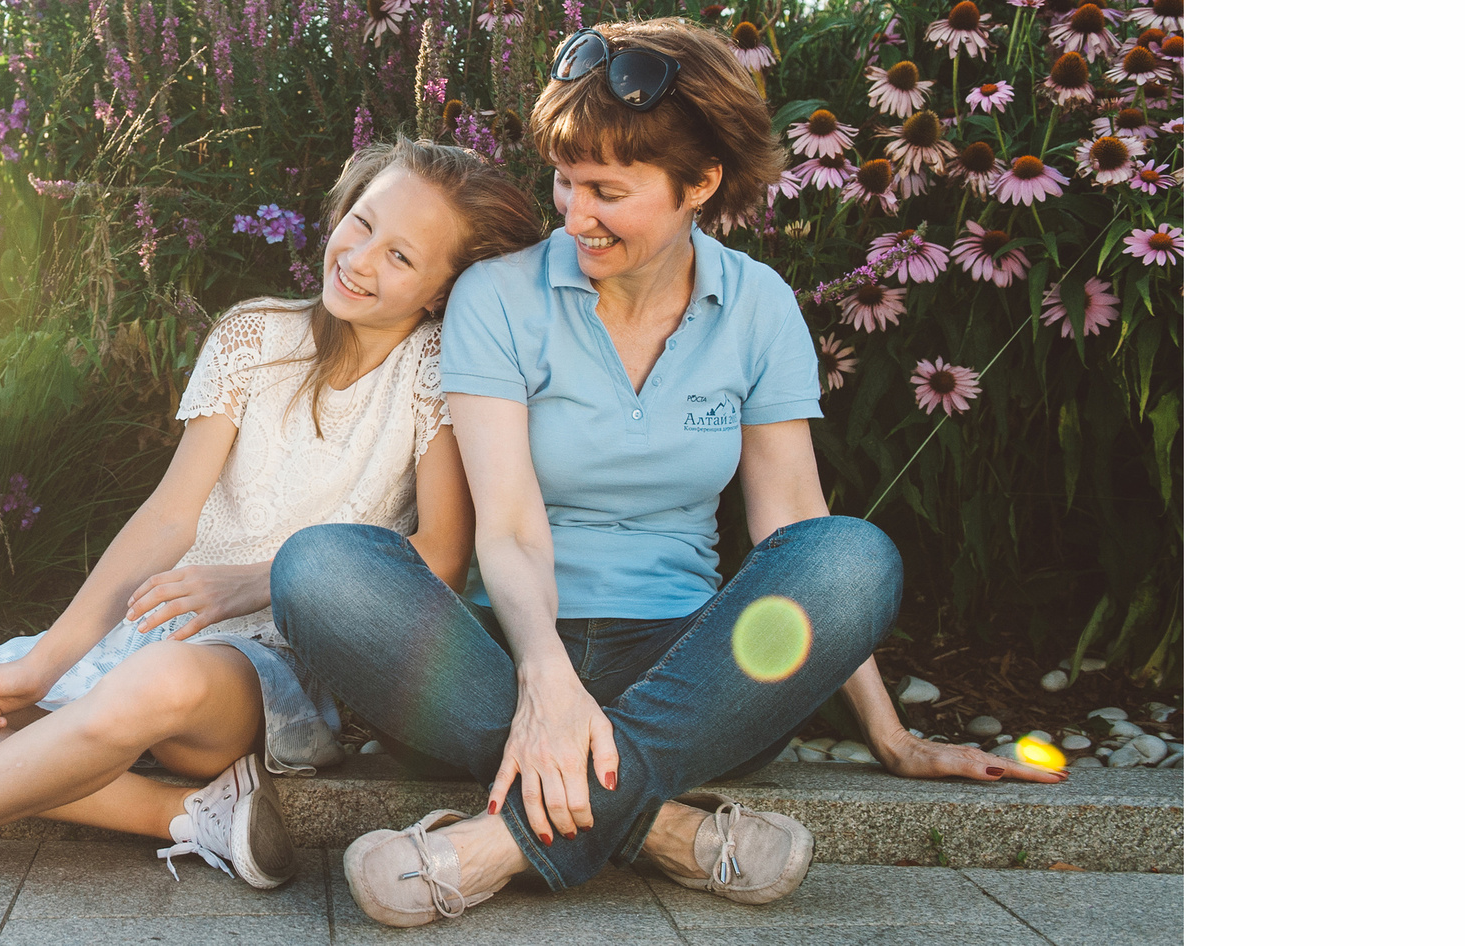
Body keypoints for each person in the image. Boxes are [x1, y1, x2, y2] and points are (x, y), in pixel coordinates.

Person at [268, 19, 1066, 930]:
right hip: (504, 661)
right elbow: (511, 524)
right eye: (565, 182)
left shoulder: (758, 304)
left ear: (702, 184)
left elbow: (793, 530)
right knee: (319, 568)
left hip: (694, 673)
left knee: (852, 555)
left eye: (609, 191)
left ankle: (492, 843)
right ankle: (670, 831)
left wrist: (889, 734)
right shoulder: (499, 298)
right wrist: (548, 684)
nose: (574, 216)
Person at [0, 138, 548, 885]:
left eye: (402, 257)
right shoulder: (256, 335)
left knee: (163, 680)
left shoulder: (438, 373)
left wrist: (250, 586)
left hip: (262, 668)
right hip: (151, 631)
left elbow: (435, 558)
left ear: (442, 290)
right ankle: (182, 818)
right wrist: (42, 663)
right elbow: (169, 520)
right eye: (362, 222)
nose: (360, 259)